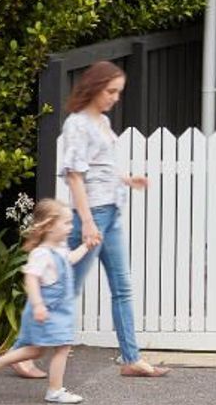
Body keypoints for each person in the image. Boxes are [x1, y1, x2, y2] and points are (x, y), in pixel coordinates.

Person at [57, 61, 170, 378]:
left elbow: (101, 167)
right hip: (91, 217)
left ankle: (131, 359)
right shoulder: (77, 124)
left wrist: (127, 179)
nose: (115, 98)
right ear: (94, 87)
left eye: (118, 92)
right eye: (111, 91)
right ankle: (21, 351)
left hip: (111, 213)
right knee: (66, 287)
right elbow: (75, 176)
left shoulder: (103, 122)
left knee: (122, 287)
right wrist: (88, 222)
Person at [0, 198, 99, 402]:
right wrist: (38, 304)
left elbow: (70, 260)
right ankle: (55, 390)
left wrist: (86, 247)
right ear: (49, 226)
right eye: (66, 223)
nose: (71, 227)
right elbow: (30, 279)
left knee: (36, 350)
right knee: (63, 346)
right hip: (45, 310)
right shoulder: (41, 254)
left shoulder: (60, 249)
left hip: (55, 311)